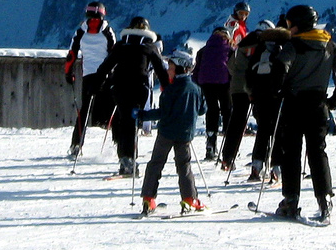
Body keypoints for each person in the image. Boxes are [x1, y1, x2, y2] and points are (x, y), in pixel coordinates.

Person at [272, 5, 336, 224]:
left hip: (294, 103)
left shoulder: (294, 45)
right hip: (319, 104)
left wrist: (278, 89)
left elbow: (281, 66)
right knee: (318, 151)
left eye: (290, 24)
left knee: (291, 152)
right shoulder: (328, 44)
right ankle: (324, 199)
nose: (288, 29)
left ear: (298, 24)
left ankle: (291, 200)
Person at [94, 16, 167, 177]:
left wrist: (96, 84)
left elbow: (106, 66)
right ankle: (130, 161)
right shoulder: (150, 46)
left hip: (119, 87)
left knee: (123, 120)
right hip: (139, 88)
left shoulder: (121, 45)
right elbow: (161, 70)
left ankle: (124, 160)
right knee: (131, 122)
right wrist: (168, 89)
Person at [138, 48, 208, 215]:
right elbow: (202, 109)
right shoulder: (196, 89)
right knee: (184, 166)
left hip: (166, 133)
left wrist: (142, 115)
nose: (168, 70)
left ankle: (148, 199)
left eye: (171, 67)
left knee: (155, 163)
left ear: (179, 68)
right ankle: (189, 199)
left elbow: (163, 112)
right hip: (184, 134)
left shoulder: (170, 90)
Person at [236, 21, 287, 182]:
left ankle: (256, 166)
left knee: (263, 130)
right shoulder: (282, 49)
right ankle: (276, 167)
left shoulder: (259, 49)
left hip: (259, 96)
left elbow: (249, 73)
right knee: (278, 132)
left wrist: (251, 93)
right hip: (277, 96)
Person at [64, 2, 116, 158]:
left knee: (84, 111)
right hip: (105, 76)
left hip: (88, 76)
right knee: (112, 110)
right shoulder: (107, 31)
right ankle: (117, 142)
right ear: (102, 14)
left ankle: (76, 145)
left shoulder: (80, 31)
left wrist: (69, 73)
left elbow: (71, 54)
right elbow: (114, 54)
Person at [194, 27, 233, 160]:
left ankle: (211, 144)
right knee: (227, 110)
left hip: (206, 83)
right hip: (224, 83)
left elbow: (196, 70)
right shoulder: (230, 50)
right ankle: (229, 146)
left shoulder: (203, 50)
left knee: (212, 110)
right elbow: (233, 69)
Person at [219, 27, 254, 173]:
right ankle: (263, 157)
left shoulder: (240, 48)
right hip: (254, 88)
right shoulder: (260, 48)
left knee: (236, 122)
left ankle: (228, 156)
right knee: (265, 122)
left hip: (237, 88)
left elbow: (230, 66)